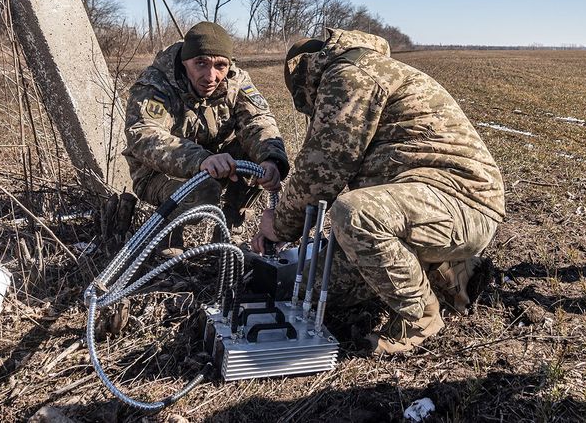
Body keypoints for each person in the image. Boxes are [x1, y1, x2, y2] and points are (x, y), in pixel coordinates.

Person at [250, 28, 505, 355]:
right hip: (443, 206)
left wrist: (279, 227)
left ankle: (420, 316)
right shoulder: (361, 68)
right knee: (321, 287)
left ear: (305, 76)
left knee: (354, 216)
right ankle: (453, 272)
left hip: (461, 204)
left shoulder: (350, 74)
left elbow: (322, 169)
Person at [123, 21, 289, 255]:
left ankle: (229, 231)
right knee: (205, 191)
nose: (211, 76)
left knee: (256, 160)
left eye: (220, 65)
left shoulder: (235, 80)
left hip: (218, 164)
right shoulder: (156, 83)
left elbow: (258, 120)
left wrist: (271, 159)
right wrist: (200, 160)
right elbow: (144, 135)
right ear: (185, 62)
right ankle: (167, 235)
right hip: (158, 173)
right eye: (201, 63)